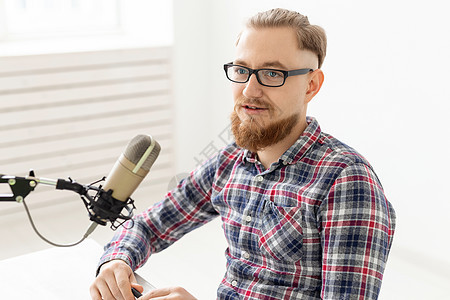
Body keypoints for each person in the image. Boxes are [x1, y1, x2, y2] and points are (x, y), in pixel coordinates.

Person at [90, 8, 396, 300]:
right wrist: (116, 262)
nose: (249, 90)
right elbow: (150, 224)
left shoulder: (346, 181)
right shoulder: (232, 160)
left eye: (273, 74)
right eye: (241, 70)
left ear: (310, 85)